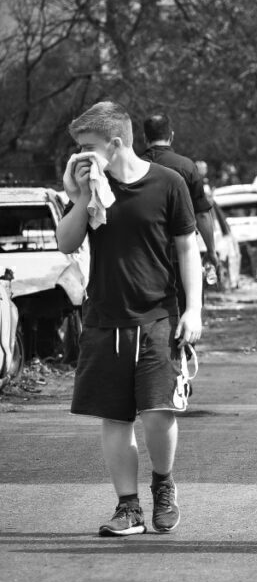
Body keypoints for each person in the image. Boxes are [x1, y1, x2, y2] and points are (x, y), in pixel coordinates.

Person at [57, 101, 203, 536]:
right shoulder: (94, 188)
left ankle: (163, 486)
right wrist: (81, 196)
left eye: (87, 147)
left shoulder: (168, 182)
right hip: (104, 318)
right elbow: (66, 242)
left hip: (158, 315)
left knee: (159, 413)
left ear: (115, 143)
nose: (79, 156)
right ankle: (128, 507)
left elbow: (186, 248)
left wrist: (194, 309)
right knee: (115, 418)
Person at [142, 113, 218, 288]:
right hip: (181, 256)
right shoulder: (186, 167)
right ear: (171, 136)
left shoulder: (135, 168)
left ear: (145, 137)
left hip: (145, 260)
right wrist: (211, 251)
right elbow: (203, 216)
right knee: (186, 309)